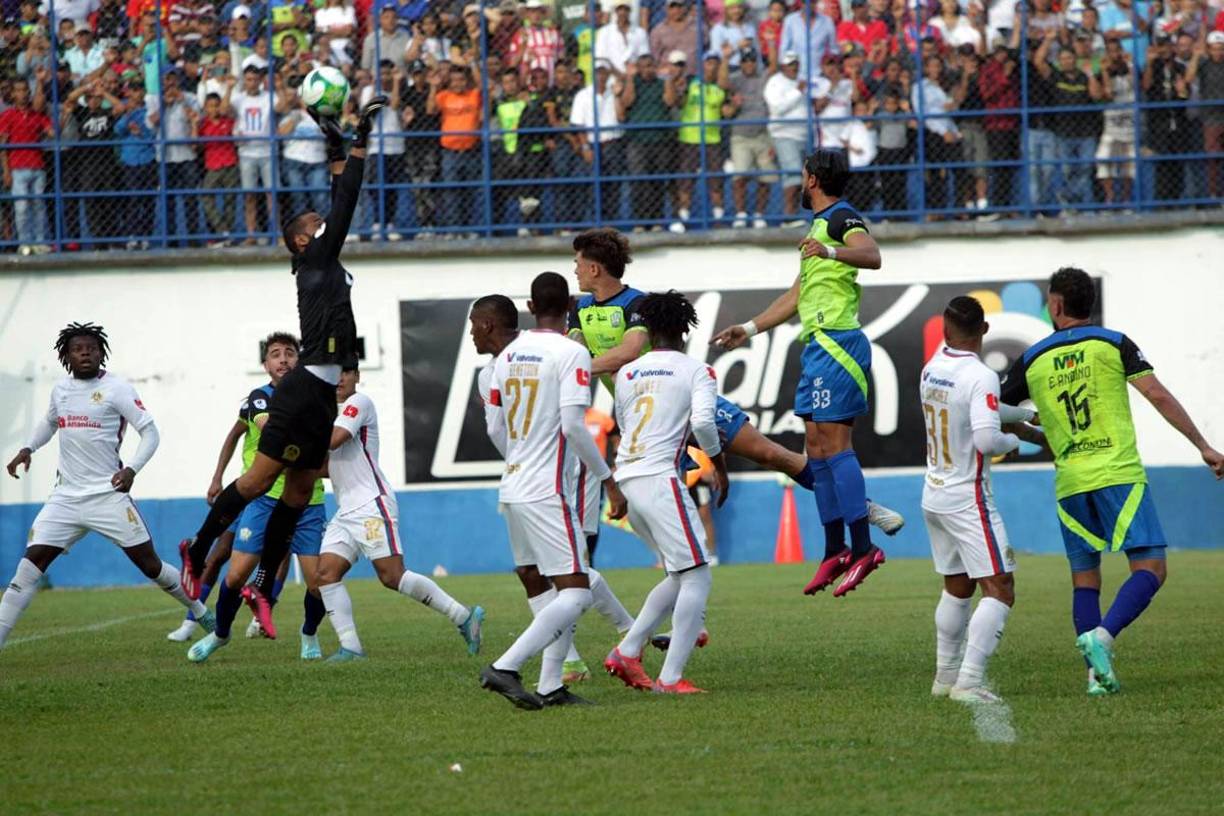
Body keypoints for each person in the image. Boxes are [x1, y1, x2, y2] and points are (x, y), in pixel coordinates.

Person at [178, 95, 390, 631]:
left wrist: (338, 142)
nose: (327, 221)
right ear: (303, 239)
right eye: (316, 223)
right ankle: (198, 546)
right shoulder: (316, 256)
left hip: (320, 393)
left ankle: (256, 588)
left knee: (297, 494)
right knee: (255, 482)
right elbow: (347, 199)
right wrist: (359, 140)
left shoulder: (321, 259)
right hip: (303, 389)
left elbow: (340, 193)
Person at [1000, 268, 1224, 695]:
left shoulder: (1032, 359)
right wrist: (1203, 445)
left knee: (1085, 580)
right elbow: (1156, 394)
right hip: (1117, 474)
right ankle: (1102, 639)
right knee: (1152, 568)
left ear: (1057, 304)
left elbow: (993, 410)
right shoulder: (1114, 343)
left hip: (1070, 483)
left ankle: (1094, 676)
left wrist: (1033, 433)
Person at [712, 149, 886, 598]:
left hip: (838, 343)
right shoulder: (818, 226)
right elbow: (798, 293)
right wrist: (748, 329)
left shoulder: (841, 217)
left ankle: (865, 548)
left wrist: (828, 247)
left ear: (811, 179)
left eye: (802, 173)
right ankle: (835, 549)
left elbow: (872, 255)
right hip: (817, 346)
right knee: (814, 446)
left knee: (834, 445)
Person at [1, 324, 213, 653]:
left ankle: (199, 610)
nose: (85, 352)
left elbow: (151, 433)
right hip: (65, 499)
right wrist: (28, 448)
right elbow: (49, 422)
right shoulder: (60, 391)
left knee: (150, 566)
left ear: (101, 353)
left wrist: (131, 469)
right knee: (27, 570)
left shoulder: (118, 389)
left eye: (91, 348)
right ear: (67, 356)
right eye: (77, 349)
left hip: (108, 497)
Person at [478, 272, 629, 710]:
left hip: (514, 483)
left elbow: (494, 425)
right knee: (577, 590)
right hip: (548, 487)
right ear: (571, 307)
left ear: (530, 306)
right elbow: (572, 427)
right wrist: (607, 479)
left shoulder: (506, 357)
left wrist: (519, 454)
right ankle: (505, 667)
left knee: (557, 585)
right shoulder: (572, 352)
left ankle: (550, 686)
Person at [316, 364, 485, 661]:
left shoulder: (358, 403)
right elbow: (328, 466)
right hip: (347, 510)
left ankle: (462, 616)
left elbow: (333, 440)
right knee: (326, 574)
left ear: (357, 376)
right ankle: (351, 647)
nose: (341, 378)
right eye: (336, 373)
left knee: (392, 576)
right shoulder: (330, 414)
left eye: (347, 371)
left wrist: (293, 434)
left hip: (371, 503)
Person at [604, 291, 726, 695]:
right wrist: (719, 466)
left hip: (629, 476)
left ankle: (628, 650)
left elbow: (625, 424)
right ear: (685, 329)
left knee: (678, 574)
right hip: (661, 479)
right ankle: (670, 679)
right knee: (698, 576)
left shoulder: (626, 372)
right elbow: (706, 424)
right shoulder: (697, 371)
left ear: (649, 329)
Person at [921, 297, 1035, 705]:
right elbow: (987, 438)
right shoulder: (981, 375)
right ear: (984, 331)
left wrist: (1016, 415)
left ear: (946, 330)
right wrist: (1014, 439)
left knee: (957, 586)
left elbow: (979, 408)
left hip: (935, 492)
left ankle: (944, 677)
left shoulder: (933, 367)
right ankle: (968, 682)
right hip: (968, 497)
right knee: (1001, 587)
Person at [166, 333, 309, 644]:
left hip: (286, 492)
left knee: (279, 555)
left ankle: (260, 616)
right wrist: (217, 477)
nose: (283, 359)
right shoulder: (257, 399)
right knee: (221, 556)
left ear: (299, 360)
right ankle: (193, 620)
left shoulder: (304, 396)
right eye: (275, 354)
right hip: (250, 493)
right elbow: (234, 436)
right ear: (266, 364)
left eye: (290, 353)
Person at [567, 227, 648, 387]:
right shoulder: (579, 308)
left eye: (578, 264)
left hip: (657, 400)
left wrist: (577, 369)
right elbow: (575, 355)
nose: (575, 271)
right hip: (624, 404)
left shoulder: (638, 302)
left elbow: (629, 351)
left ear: (594, 269)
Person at [667, 50, 734, 229]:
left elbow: (728, 111)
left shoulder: (721, 88)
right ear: (703, 65)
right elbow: (678, 103)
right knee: (686, 181)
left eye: (715, 64)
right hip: (689, 139)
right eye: (709, 63)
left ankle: (718, 219)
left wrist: (733, 106)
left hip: (712, 140)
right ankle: (683, 218)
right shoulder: (690, 82)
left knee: (715, 182)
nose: (711, 67)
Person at [0, 77, 52, 255]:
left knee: (38, 205)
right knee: (21, 206)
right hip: (17, 168)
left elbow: (52, 133)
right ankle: (24, 242)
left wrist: (65, 113)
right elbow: (3, 146)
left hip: (37, 166)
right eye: (19, 91)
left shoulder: (38, 115)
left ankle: (39, 241)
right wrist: (6, 171)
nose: (22, 94)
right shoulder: (7, 115)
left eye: (24, 90)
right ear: (13, 94)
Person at [727, 47, 776, 229]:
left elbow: (773, 67)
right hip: (741, 136)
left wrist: (771, 42)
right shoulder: (736, 78)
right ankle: (741, 214)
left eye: (752, 60)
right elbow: (722, 82)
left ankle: (759, 215)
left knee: (766, 177)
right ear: (740, 63)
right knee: (740, 176)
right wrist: (725, 58)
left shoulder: (762, 77)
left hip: (763, 135)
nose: (749, 64)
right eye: (746, 61)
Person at [763, 51, 809, 226]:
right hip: (784, 134)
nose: (794, 67)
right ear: (783, 66)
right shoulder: (775, 82)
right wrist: (797, 92)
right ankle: (788, 216)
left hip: (804, 135)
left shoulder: (803, 80)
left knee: (802, 177)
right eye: (790, 64)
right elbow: (777, 109)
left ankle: (794, 214)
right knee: (793, 174)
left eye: (796, 63)